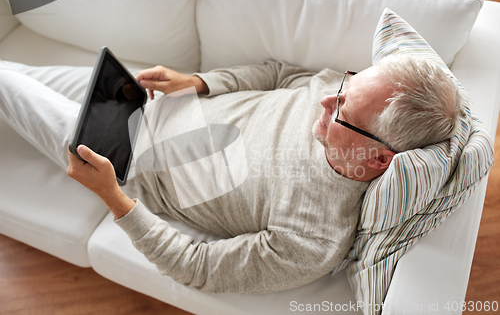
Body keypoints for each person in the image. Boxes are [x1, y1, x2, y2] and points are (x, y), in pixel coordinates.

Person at [0, 54, 464, 293]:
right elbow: (282, 74)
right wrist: (197, 82)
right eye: (344, 86)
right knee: (13, 72)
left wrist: (112, 197)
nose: (327, 99)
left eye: (343, 111)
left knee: (6, 84)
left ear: (382, 158)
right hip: (146, 101)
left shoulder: (313, 240)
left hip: (126, 158)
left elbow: (196, 266)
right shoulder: (343, 94)